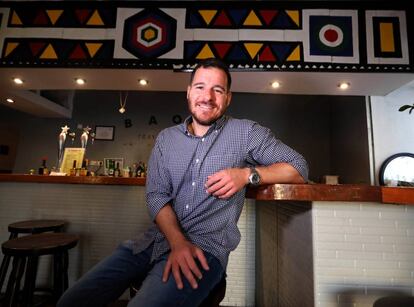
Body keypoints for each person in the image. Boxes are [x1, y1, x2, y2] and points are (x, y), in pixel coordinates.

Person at [57, 58, 308, 307]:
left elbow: (298, 168)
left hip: (206, 249)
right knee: (71, 300)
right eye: (200, 87)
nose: (207, 97)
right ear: (188, 92)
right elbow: (156, 196)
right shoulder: (166, 139)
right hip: (153, 241)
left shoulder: (246, 132)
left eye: (217, 90)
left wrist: (246, 175)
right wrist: (177, 242)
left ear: (228, 97)